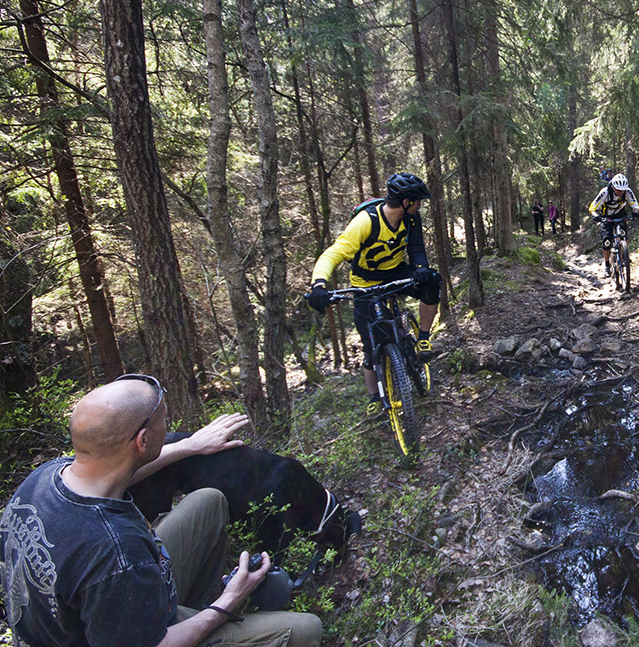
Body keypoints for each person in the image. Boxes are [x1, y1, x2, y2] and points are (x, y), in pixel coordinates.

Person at [0, 375, 322, 647]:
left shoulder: (46, 475)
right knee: (307, 629)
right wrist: (229, 601)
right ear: (142, 441)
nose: (168, 427)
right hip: (137, 635)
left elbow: (120, 470)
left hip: (87, 616)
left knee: (208, 501)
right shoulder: (116, 553)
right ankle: (199, 620)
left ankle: (189, 610)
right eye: (164, 422)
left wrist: (189, 446)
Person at [307, 171, 442, 417]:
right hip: (364, 283)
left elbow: (416, 247)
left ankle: (423, 337)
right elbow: (332, 254)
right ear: (406, 202)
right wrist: (319, 285)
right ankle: (374, 396)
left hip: (395, 273)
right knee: (371, 347)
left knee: (432, 281)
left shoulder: (411, 219)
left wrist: (421, 268)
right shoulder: (365, 222)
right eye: (417, 201)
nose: (419, 206)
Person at [588, 173, 639, 277]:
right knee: (607, 241)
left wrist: (634, 213)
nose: (621, 192)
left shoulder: (628, 191)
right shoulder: (605, 192)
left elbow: (635, 205)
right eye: (618, 190)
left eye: (622, 190)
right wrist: (596, 216)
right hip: (606, 216)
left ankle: (624, 254)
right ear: (613, 187)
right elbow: (592, 207)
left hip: (620, 214)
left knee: (623, 233)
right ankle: (607, 265)